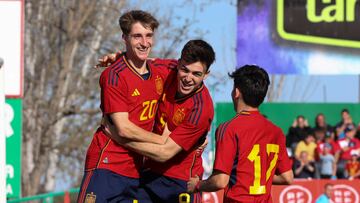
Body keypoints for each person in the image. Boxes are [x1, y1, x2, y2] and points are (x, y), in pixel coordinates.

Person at [77, 10, 173, 203]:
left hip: (136, 171)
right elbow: (123, 128)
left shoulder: (160, 72)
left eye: (148, 36)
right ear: (124, 38)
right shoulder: (114, 75)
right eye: (137, 36)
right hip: (107, 165)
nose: (144, 43)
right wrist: (162, 141)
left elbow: (193, 68)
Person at [105, 39, 215, 203]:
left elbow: (165, 153)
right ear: (178, 64)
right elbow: (141, 64)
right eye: (185, 70)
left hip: (179, 183)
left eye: (196, 74)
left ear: (206, 75)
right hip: (148, 174)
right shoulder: (167, 69)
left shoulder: (202, 109)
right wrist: (119, 57)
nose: (188, 78)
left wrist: (120, 138)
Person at [186, 65, 293, 202]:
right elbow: (287, 178)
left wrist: (197, 184)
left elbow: (220, 181)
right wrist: (254, 178)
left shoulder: (229, 128)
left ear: (236, 92)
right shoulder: (276, 132)